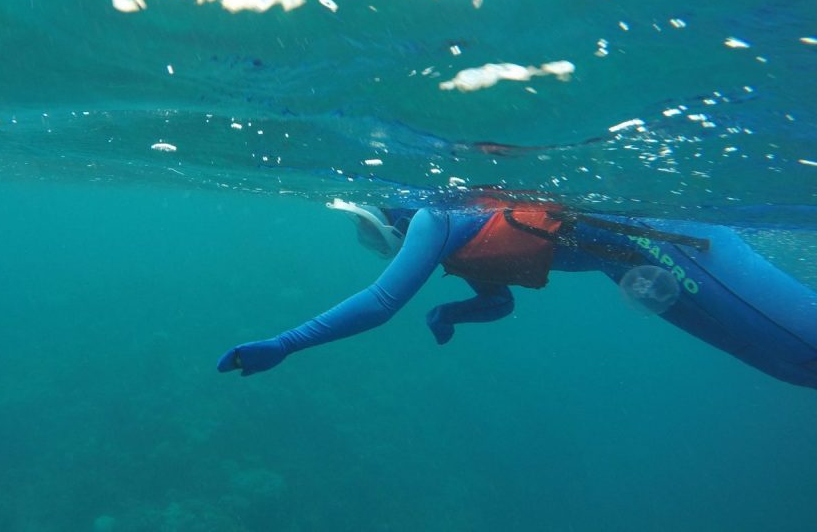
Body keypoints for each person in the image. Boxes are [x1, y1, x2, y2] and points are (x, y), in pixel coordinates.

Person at [217, 196, 817, 389]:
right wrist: (454, 310)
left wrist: (286, 343)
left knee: (804, 345)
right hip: (636, 262)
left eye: (374, 234)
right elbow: (502, 300)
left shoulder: (436, 219)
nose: (382, 246)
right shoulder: (458, 244)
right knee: (786, 364)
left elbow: (379, 303)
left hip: (677, 243)